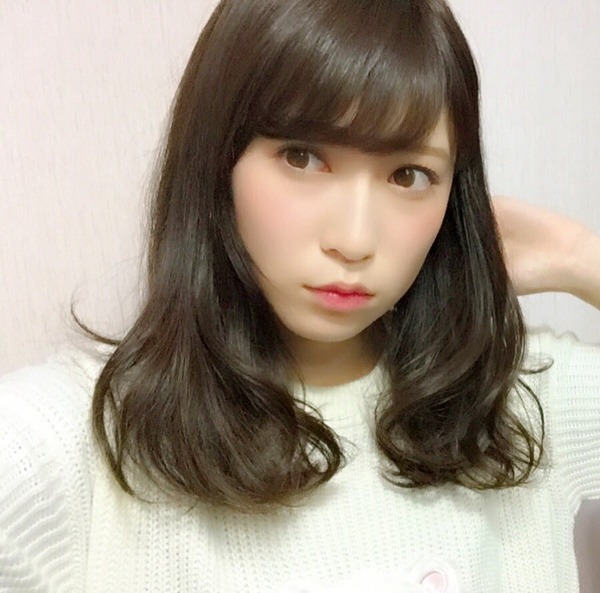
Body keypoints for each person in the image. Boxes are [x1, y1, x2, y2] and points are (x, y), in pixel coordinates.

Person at [1, 0, 599, 591]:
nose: (354, 240)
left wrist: (577, 257)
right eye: (302, 157)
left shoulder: (521, 404)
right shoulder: (77, 440)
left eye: (408, 175)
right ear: (217, 161)